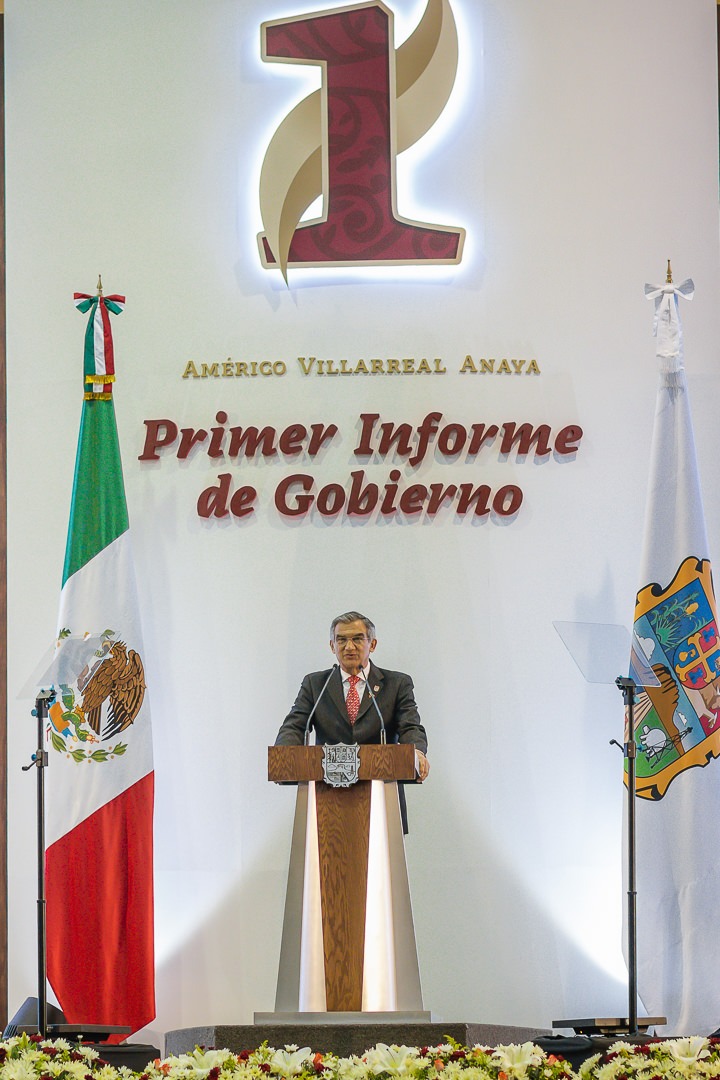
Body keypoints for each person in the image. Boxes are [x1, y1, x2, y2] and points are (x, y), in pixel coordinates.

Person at [275, 611, 430, 784]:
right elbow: (295, 726)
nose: (349, 647)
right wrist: (283, 755)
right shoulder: (315, 684)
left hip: (383, 787)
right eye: (341, 640)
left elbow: (410, 727)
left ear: (372, 644)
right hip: (326, 789)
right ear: (332, 646)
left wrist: (417, 753)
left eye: (357, 639)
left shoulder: (397, 684)